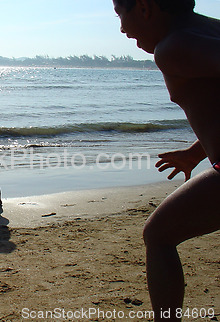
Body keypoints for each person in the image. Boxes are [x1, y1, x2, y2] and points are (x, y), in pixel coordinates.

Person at [113, 0, 220, 319]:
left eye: (122, 15)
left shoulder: (173, 46)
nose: (122, 28)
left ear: (144, 7)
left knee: (159, 235)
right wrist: (194, 153)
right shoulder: (208, 30)